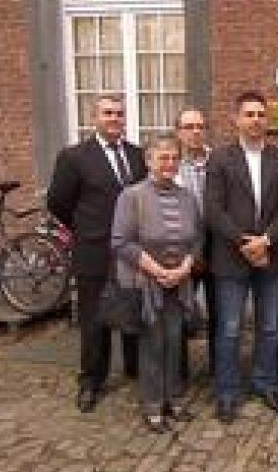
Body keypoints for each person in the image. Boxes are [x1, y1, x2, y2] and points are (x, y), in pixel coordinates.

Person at [47, 94, 146, 413]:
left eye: (119, 113)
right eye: (107, 113)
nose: (114, 118)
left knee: (133, 308)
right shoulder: (74, 157)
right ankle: (91, 380)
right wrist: (84, 227)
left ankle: (135, 367)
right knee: (94, 319)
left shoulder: (137, 155)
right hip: (94, 249)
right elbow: (57, 202)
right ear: (95, 118)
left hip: (132, 250)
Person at [204, 91, 278, 423]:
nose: (256, 120)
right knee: (230, 329)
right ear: (236, 119)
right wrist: (245, 242)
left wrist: (267, 240)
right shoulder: (220, 159)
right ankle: (227, 392)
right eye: (249, 114)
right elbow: (213, 209)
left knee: (270, 328)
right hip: (231, 257)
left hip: (272, 257)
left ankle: (265, 383)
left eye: (261, 114)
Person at [111, 134, 201, 433]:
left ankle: (174, 399)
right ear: (149, 161)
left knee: (175, 343)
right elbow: (120, 242)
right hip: (146, 284)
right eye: (163, 158)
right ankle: (152, 406)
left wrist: (185, 267)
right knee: (152, 345)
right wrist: (157, 270)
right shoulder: (132, 196)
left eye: (174, 158)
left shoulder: (187, 197)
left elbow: (198, 238)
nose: (169, 163)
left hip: (179, 284)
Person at [173, 107, 214, 380]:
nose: (196, 132)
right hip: (182, 250)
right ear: (178, 132)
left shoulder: (219, 161)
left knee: (219, 312)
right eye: (189, 127)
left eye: (200, 126)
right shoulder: (170, 164)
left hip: (218, 247)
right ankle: (178, 373)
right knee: (179, 313)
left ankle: (219, 369)